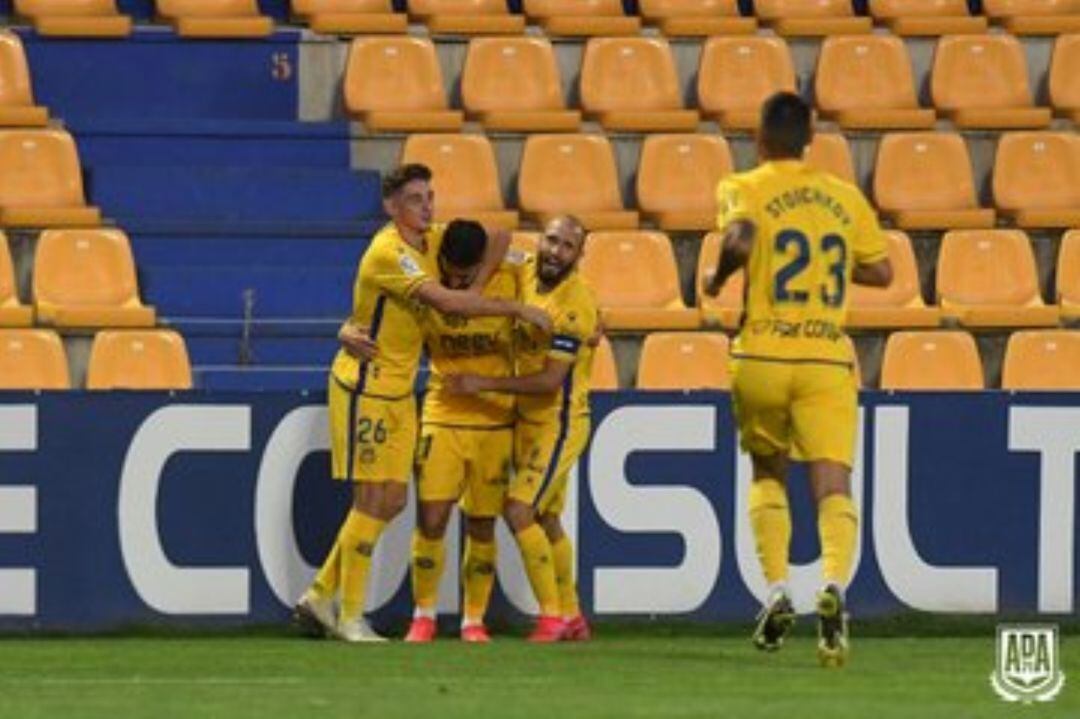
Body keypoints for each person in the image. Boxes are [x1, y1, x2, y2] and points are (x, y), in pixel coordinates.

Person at [293, 164, 550, 643]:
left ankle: (320, 594)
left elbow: (499, 233)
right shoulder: (389, 251)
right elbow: (448, 305)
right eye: (414, 199)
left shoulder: (431, 239)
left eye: (430, 196)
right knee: (375, 500)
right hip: (366, 386)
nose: (427, 206)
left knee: (389, 501)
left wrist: (476, 286)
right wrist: (512, 307)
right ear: (391, 207)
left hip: (397, 390)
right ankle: (349, 615)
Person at [702, 92, 892, 667]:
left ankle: (779, 588)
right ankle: (833, 585)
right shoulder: (844, 197)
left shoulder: (745, 186)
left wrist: (716, 277)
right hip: (825, 359)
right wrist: (828, 263)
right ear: (811, 140)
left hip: (761, 352)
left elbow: (738, 239)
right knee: (833, 485)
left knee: (767, 472)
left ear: (759, 138)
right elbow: (882, 271)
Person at [450, 215, 597, 643]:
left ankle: (551, 618)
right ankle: (573, 617)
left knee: (518, 510)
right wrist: (479, 288)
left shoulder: (576, 304)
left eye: (568, 246)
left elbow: (550, 381)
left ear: (579, 255)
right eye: (551, 240)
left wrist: (484, 382)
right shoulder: (525, 266)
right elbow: (494, 238)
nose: (556, 251)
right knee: (548, 518)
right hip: (528, 420)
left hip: (559, 421)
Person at [403, 219, 521, 644]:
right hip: (443, 409)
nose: (452, 280)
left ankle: (474, 618)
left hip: (493, 416)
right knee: (432, 518)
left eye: (463, 276)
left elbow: (505, 231)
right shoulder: (426, 262)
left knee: (483, 522)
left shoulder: (511, 274)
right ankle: (424, 614)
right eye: (449, 271)